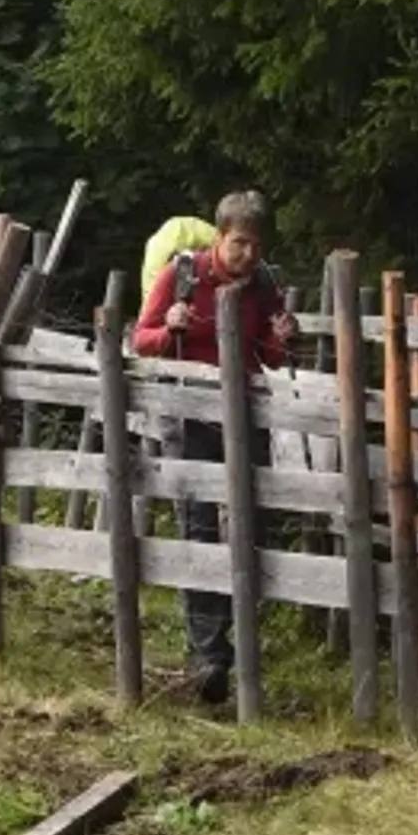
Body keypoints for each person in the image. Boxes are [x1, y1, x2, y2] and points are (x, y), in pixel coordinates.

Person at [131, 188, 294, 705]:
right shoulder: (182, 276)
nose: (248, 254)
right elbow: (141, 338)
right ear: (220, 237)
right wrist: (169, 328)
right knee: (199, 524)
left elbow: (268, 357)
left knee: (250, 521)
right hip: (191, 411)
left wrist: (283, 336)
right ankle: (209, 655)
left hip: (246, 413)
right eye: (240, 243)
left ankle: (236, 634)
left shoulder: (263, 285)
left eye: (257, 245)